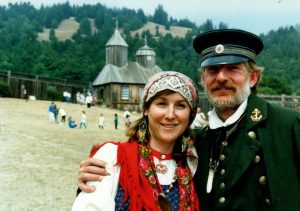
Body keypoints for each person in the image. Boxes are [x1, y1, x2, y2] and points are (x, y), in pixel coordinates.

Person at [77, 29, 300, 210]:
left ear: (253, 77)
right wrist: (91, 179)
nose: (221, 77)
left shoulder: (288, 127)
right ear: (203, 79)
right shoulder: (196, 145)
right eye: (212, 70)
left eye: (233, 68)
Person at [72, 71, 200, 210]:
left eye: (180, 105)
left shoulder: (193, 163)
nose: (170, 115)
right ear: (146, 109)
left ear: (190, 114)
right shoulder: (112, 157)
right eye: (161, 103)